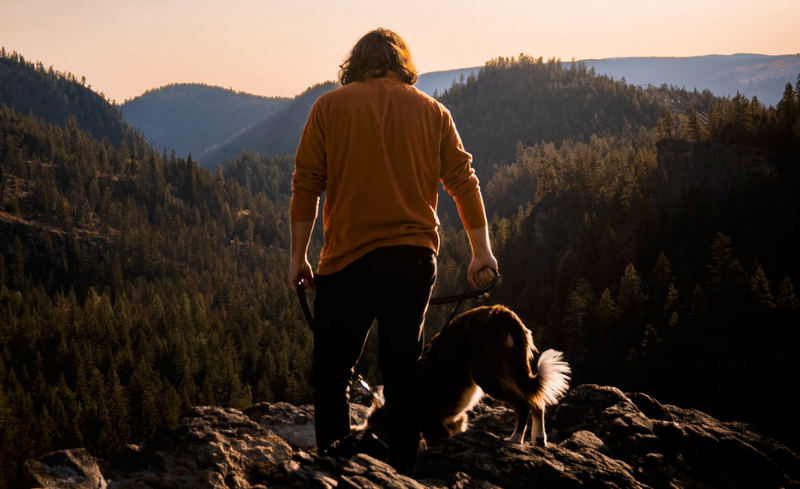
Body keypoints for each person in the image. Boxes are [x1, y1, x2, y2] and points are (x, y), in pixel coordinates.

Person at [288, 28, 497, 470]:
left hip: (348, 262)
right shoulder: (433, 111)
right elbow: (463, 181)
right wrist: (482, 252)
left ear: (357, 63)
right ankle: (405, 471)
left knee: (332, 375)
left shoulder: (328, 107)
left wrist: (298, 257)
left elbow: (307, 185)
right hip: (414, 260)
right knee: (403, 373)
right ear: (403, 63)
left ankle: (333, 464)